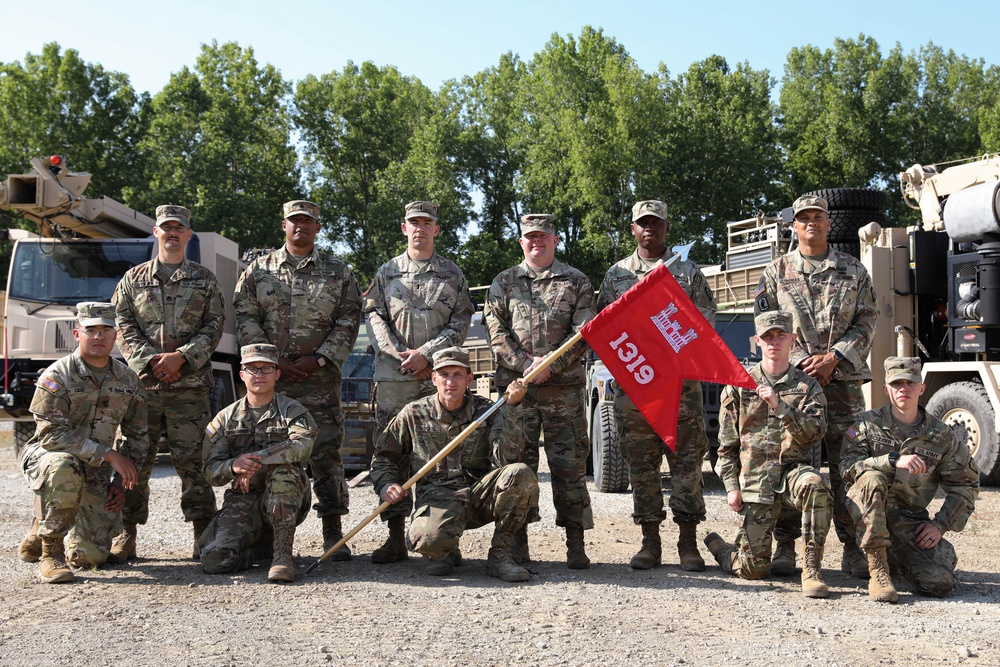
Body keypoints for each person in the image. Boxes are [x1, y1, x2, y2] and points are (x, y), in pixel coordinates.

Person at [754, 193, 878, 577]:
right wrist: (800, 367)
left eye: (818, 217)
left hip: (844, 386)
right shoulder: (775, 273)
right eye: (804, 217)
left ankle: (853, 549)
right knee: (792, 465)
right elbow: (767, 328)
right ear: (794, 225)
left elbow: (867, 321)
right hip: (794, 387)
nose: (811, 223)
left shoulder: (853, 270)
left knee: (849, 466)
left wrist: (835, 358)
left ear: (828, 223)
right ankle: (787, 547)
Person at [234, 200, 362, 559]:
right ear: (284, 225)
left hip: (319, 380)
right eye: (294, 220)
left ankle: (332, 531)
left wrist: (319, 358)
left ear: (318, 227)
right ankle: (262, 532)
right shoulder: (259, 271)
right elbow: (245, 317)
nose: (301, 226)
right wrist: (272, 361)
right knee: (267, 451)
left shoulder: (338, 272)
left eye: (308, 220)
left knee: (325, 454)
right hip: (269, 381)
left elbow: (349, 319)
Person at [597, 200, 715, 571]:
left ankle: (688, 544)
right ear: (633, 229)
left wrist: (669, 350)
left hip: (681, 387)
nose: (650, 228)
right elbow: (603, 327)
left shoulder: (686, 271)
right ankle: (650, 544)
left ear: (666, 227)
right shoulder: (617, 275)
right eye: (642, 223)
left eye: (656, 222)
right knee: (642, 467)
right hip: (636, 388)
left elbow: (704, 322)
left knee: (687, 466)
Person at [110, 204, 224, 561]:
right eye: (166, 227)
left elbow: (214, 326)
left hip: (189, 390)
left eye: (179, 228)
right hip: (143, 391)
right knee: (135, 462)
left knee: (194, 464)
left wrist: (182, 358)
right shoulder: (133, 279)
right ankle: (125, 534)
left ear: (189, 234)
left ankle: (202, 535)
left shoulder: (204, 279)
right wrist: (151, 362)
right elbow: (122, 325)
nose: (172, 233)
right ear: (156, 233)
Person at [364, 201, 474, 564]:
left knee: (440, 458)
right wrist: (400, 354)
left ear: (436, 230)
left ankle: (443, 538)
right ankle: (395, 536)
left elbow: (461, 322)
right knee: (390, 454)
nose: (420, 229)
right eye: (414, 223)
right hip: (394, 378)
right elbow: (375, 316)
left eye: (427, 223)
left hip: (436, 379)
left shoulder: (452, 274)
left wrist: (426, 354)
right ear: (404, 228)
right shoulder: (387, 272)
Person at [484, 213, 594, 569]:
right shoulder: (503, 282)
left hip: (563, 391)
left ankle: (575, 543)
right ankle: (517, 544)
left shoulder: (576, 281)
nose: (536, 242)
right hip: (519, 391)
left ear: (555, 240)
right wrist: (525, 364)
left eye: (543, 236)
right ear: (521, 242)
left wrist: (552, 365)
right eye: (530, 237)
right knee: (518, 466)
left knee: (570, 467)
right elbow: (495, 332)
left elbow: (585, 333)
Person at [370, 347, 535, 582]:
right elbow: (384, 456)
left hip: (477, 496)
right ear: (433, 378)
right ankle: (444, 550)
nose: (451, 381)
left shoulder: (487, 410)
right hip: (437, 499)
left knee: (519, 473)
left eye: (458, 374)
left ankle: (501, 556)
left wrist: (513, 409)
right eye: (444, 374)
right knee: (427, 542)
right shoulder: (414, 413)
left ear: (469, 378)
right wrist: (386, 484)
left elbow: (506, 460)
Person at [703, 311, 832, 597]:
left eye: (780, 336)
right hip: (755, 482)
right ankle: (721, 548)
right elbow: (726, 446)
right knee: (753, 570)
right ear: (757, 341)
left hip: (791, 476)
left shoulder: (807, 386)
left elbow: (815, 433)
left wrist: (780, 405)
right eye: (767, 337)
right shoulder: (739, 384)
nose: (774, 342)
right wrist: (731, 487)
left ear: (792, 340)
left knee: (816, 486)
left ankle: (811, 570)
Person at [18, 302, 149, 583]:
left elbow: (138, 437)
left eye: (106, 330)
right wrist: (109, 455)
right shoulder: (57, 376)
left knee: (89, 558)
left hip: (95, 467)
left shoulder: (128, 379)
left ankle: (44, 522)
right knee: (64, 465)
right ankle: (50, 553)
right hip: (48, 456)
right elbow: (51, 435)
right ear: (77, 334)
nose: (99, 337)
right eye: (91, 330)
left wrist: (118, 484)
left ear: (115, 336)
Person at [841, 357, 979, 601]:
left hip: (908, 521)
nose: (903, 388)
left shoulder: (940, 435)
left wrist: (940, 525)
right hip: (867, 515)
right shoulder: (867, 424)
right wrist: (891, 460)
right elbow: (847, 467)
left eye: (910, 383)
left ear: (922, 388)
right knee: (872, 478)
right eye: (896, 384)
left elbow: (965, 484)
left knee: (938, 584)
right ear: (886, 389)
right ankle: (878, 570)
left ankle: (898, 557)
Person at [199, 344, 318, 583]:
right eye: (252, 369)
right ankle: (261, 550)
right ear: (241, 374)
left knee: (283, 471)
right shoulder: (225, 418)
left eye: (266, 368)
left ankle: (283, 555)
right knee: (214, 560)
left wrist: (256, 461)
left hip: (288, 496)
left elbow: (302, 445)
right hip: (244, 499)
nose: (259, 375)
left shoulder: (292, 411)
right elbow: (210, 471)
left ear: (277, 373)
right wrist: (234, 465)